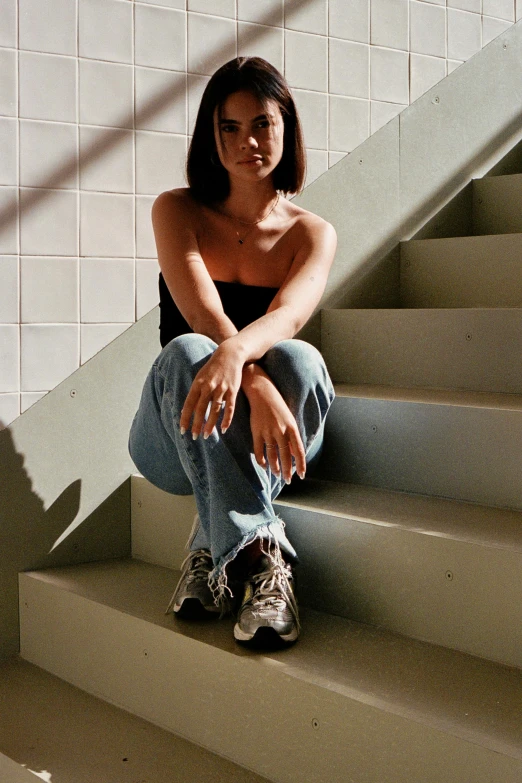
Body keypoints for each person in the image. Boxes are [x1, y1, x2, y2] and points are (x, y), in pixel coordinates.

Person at [128, 56, 337, 647]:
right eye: (229, 127)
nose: (248, 141)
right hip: (176, 435)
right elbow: (202, 316)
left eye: (263, 124)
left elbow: (288, 318)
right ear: (209, 134)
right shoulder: (178, 210)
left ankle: (210, 547)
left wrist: (257, 372)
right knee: (190, 350)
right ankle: (267, 560)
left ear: (286, 129)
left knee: (302, 359)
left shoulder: (311, 233)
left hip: (279, 446)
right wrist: (255, 382)